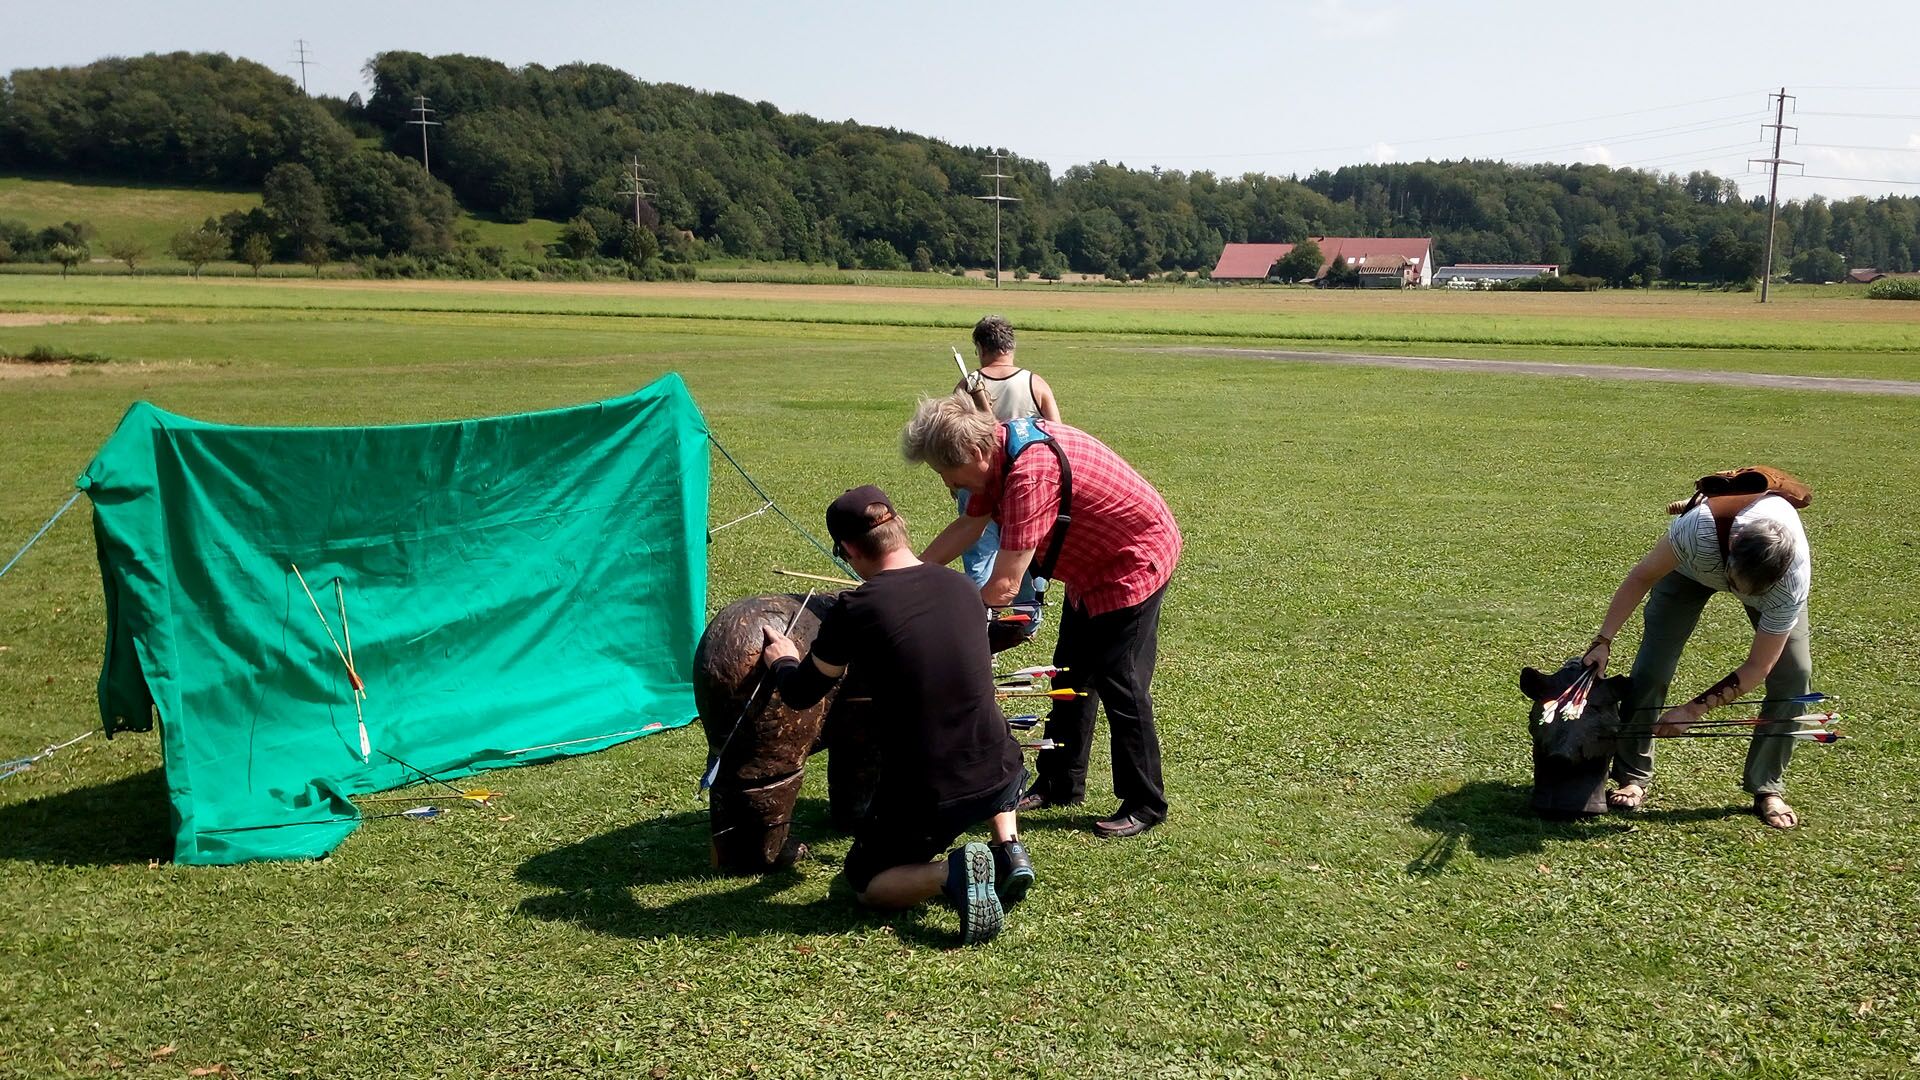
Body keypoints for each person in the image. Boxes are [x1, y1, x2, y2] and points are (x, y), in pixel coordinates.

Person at [759, 485, 1033, 944]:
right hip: (1002, 766)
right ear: (899, 529)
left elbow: (803, 693)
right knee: (988, 748)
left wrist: (784, 659)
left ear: (849, 550)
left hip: (930, 790)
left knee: (865, 883)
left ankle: (952, 873)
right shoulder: (963, 587)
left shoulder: (856, 607)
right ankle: (1010, 849)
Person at [904, 392, 1182, 839]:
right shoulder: (997, 453)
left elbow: (1004, 586)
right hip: (1090, 567)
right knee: (1070, 673)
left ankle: (1145, 802)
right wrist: (910, 575)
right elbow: (968, 526)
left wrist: (941, 617)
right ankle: (1059, 781)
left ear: (973, 452)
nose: (947, 483)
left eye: (945, 472)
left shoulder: (1029, 475)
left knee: (1121, 682)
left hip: (1132, 561)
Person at [1582, 483, 1814, 829]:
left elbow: (1758, 666)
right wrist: (1603, 640)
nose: (1736, 593)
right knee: (1652, 668)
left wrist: (1693, 711)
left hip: (1764, 586)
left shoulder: (1790, 581)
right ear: (1733, 546)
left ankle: (1767, 786)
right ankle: (1632, 775)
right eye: (1734, 582)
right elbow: (1641, 577)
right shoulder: (1697, 530)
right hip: (1690, 569)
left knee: (1794, 676)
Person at [954, 316, 1061, 634]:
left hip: (979, 484)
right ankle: (1026, 623)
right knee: (1025, 555)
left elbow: (954, 440)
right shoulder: (1035, 384)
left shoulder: (967, 384)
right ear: (1010, 346)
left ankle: (981, 626)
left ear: (980, 347)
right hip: (1030, 486)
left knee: (979, 556)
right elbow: (1058, 434)